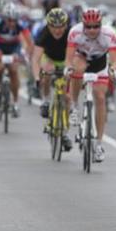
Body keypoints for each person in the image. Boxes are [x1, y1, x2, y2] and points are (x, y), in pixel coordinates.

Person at [66, 7, 116, 162]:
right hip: (81, 57)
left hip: (100, 63)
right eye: (88, 27)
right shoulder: (75, 32)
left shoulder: (109, 34)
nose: (92, 30)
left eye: (95, 26)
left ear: (101, 25)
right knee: (77, 68)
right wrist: (68, 68)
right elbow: (69, 57)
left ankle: (98, 144)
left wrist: (113, 69)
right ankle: (74, 106)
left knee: (100, 97)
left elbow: (115, 60)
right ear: (83, 25)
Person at [31, 8, 73, 152]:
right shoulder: (43, 33)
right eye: (53, 26)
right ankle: (46, 99)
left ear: (66, 25)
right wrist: (37, 78)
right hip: (49, 58)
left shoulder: (71, 33)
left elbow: (77, 56)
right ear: (48, 25)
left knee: (67, 98)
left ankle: (65, 133)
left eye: (61, 26)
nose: (57, 30)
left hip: (66, 60)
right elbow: (35, 59)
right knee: (47, 70)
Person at [0, 2, 33, 115]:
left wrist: (25, 55)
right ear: (4, 18)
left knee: (14, 70)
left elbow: (30, 43)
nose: (12, 23)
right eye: (9, 20)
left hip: (14, 47)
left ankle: (15, 103)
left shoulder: (21, 24)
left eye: (14, 20)